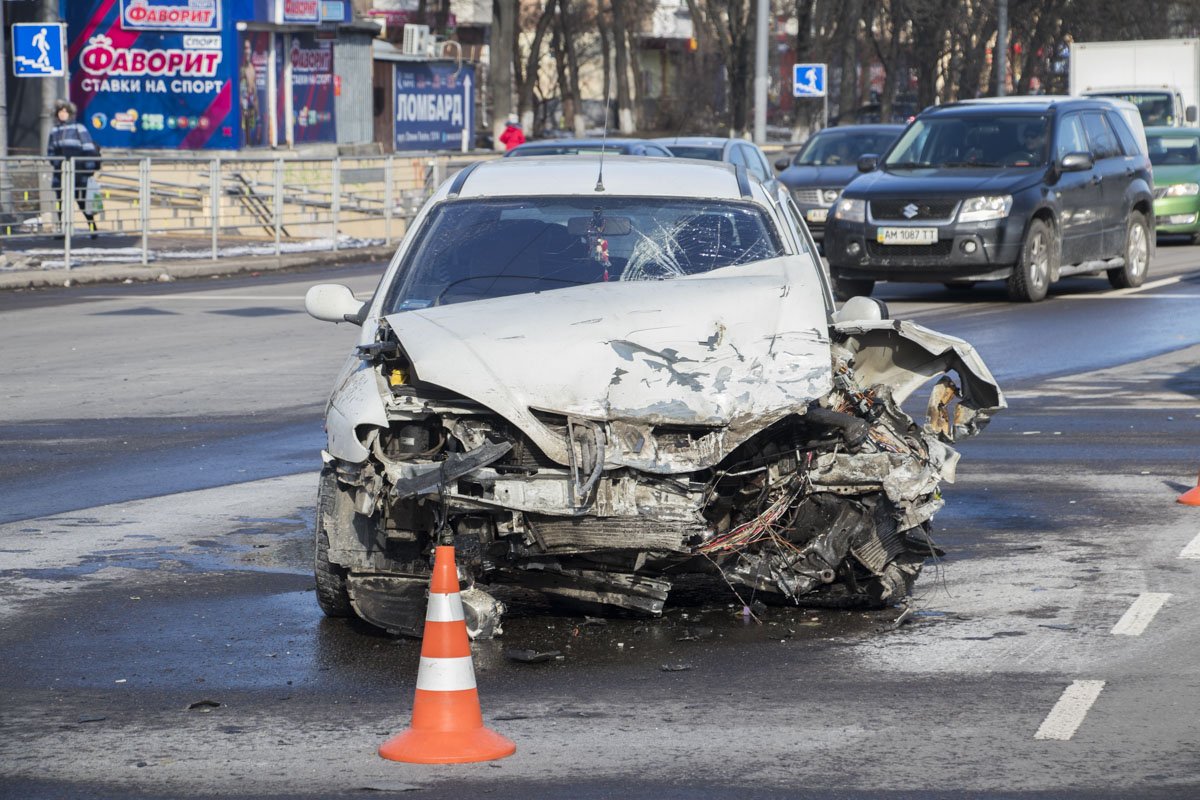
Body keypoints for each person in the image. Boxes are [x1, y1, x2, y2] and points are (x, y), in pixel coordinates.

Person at [47, 99, 101, 237]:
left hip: (78, 172)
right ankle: (61, 230)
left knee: (81, 200)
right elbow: (50, 150)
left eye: (65, 112)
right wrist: (55, 162)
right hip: (60, 172)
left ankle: (92, 227)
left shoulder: (79, 128)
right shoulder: (54, 130)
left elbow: (88, 147)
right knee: (60, 202)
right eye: (60, 112)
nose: (63, 114)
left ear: (70, 113)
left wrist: (88, 168)